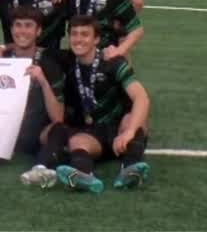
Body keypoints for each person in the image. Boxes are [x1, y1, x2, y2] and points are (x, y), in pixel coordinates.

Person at [55, 15, 152, 193]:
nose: (78, 39)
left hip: (118, 129)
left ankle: (130, 169)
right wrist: (4, 48)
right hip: (91, 134)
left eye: (85, 34)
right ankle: (84, 175)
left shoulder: (113, 61)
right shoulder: (65, 61)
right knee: (76, 141)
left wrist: (129, 132)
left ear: (96, 39)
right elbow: (36, 52)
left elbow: (141, 97)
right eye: (74, 34)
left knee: (133, 119)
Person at [0, 7, 73, 188]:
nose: (22, 31)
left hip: (35, 134)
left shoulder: (49, 64)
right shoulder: (0, 58)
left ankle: (40, 168)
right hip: (2, 132)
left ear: (38, 31)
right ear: (11, 29)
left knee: (59, 129)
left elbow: (58, 117)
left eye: (28, 26)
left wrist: (43, 81)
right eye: (18, 25)